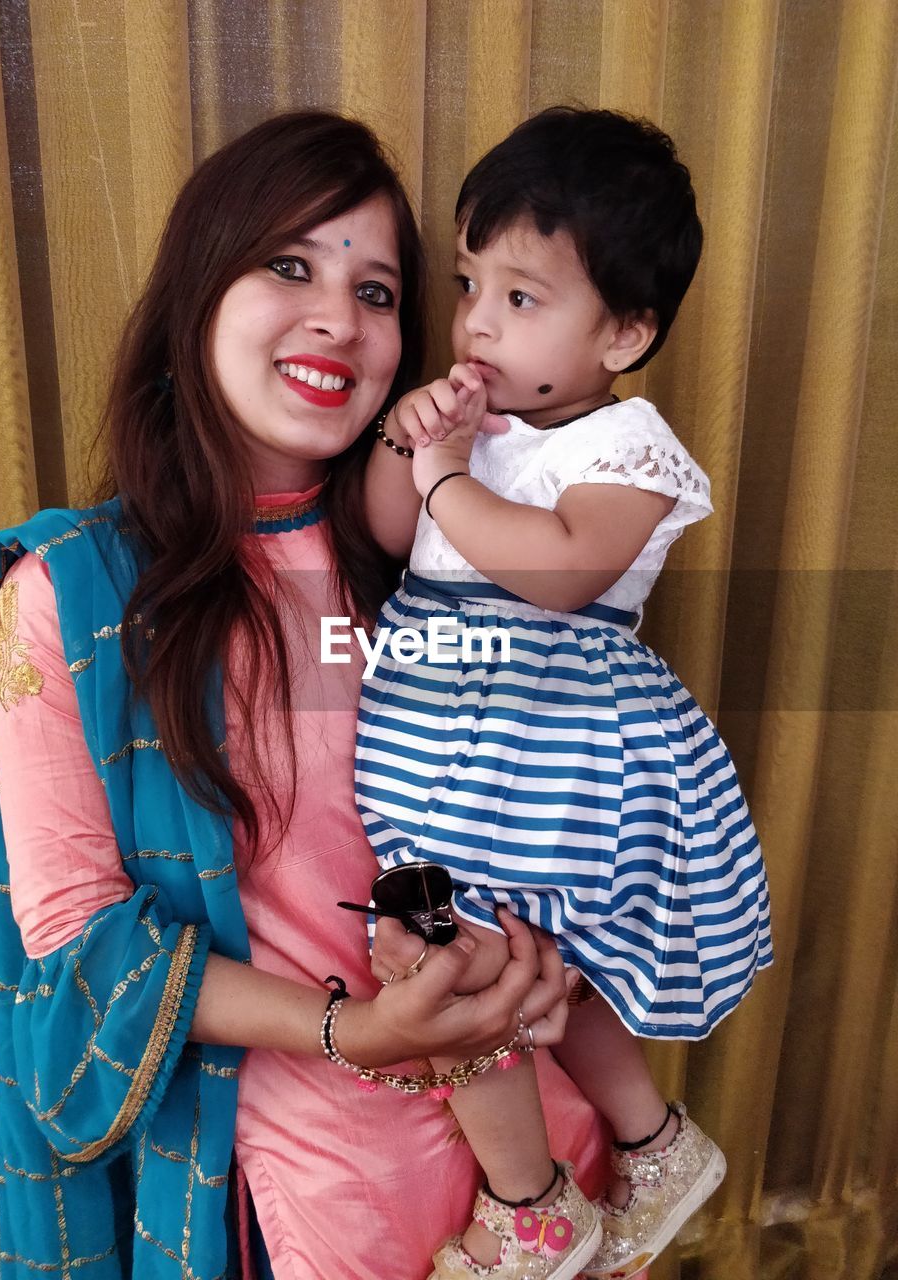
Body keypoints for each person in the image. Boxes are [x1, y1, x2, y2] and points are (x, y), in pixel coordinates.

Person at [0, 111, 613, 1280]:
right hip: (300, 1185)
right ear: (198, 291)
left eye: (376, 292)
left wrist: (550, 959)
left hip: (531, 1155)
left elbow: (552, 793)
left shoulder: (448, 549)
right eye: (289, 266)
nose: (337, 318)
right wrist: (353, 1025)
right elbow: (80, 938)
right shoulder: (74, 595)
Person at [353, 107, 774, 1280]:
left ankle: (530, 1206)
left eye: (522, 299)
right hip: (452, 735)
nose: (478, 322)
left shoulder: (628, 446)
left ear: (627, 333)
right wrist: (409, 444)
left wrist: (446, 474)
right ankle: (652, 1141)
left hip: (545, 745)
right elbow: (392, 536)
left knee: (451, 957)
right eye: (470, 282)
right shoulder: (471, 432)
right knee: (511, 955)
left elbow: (559, 574)